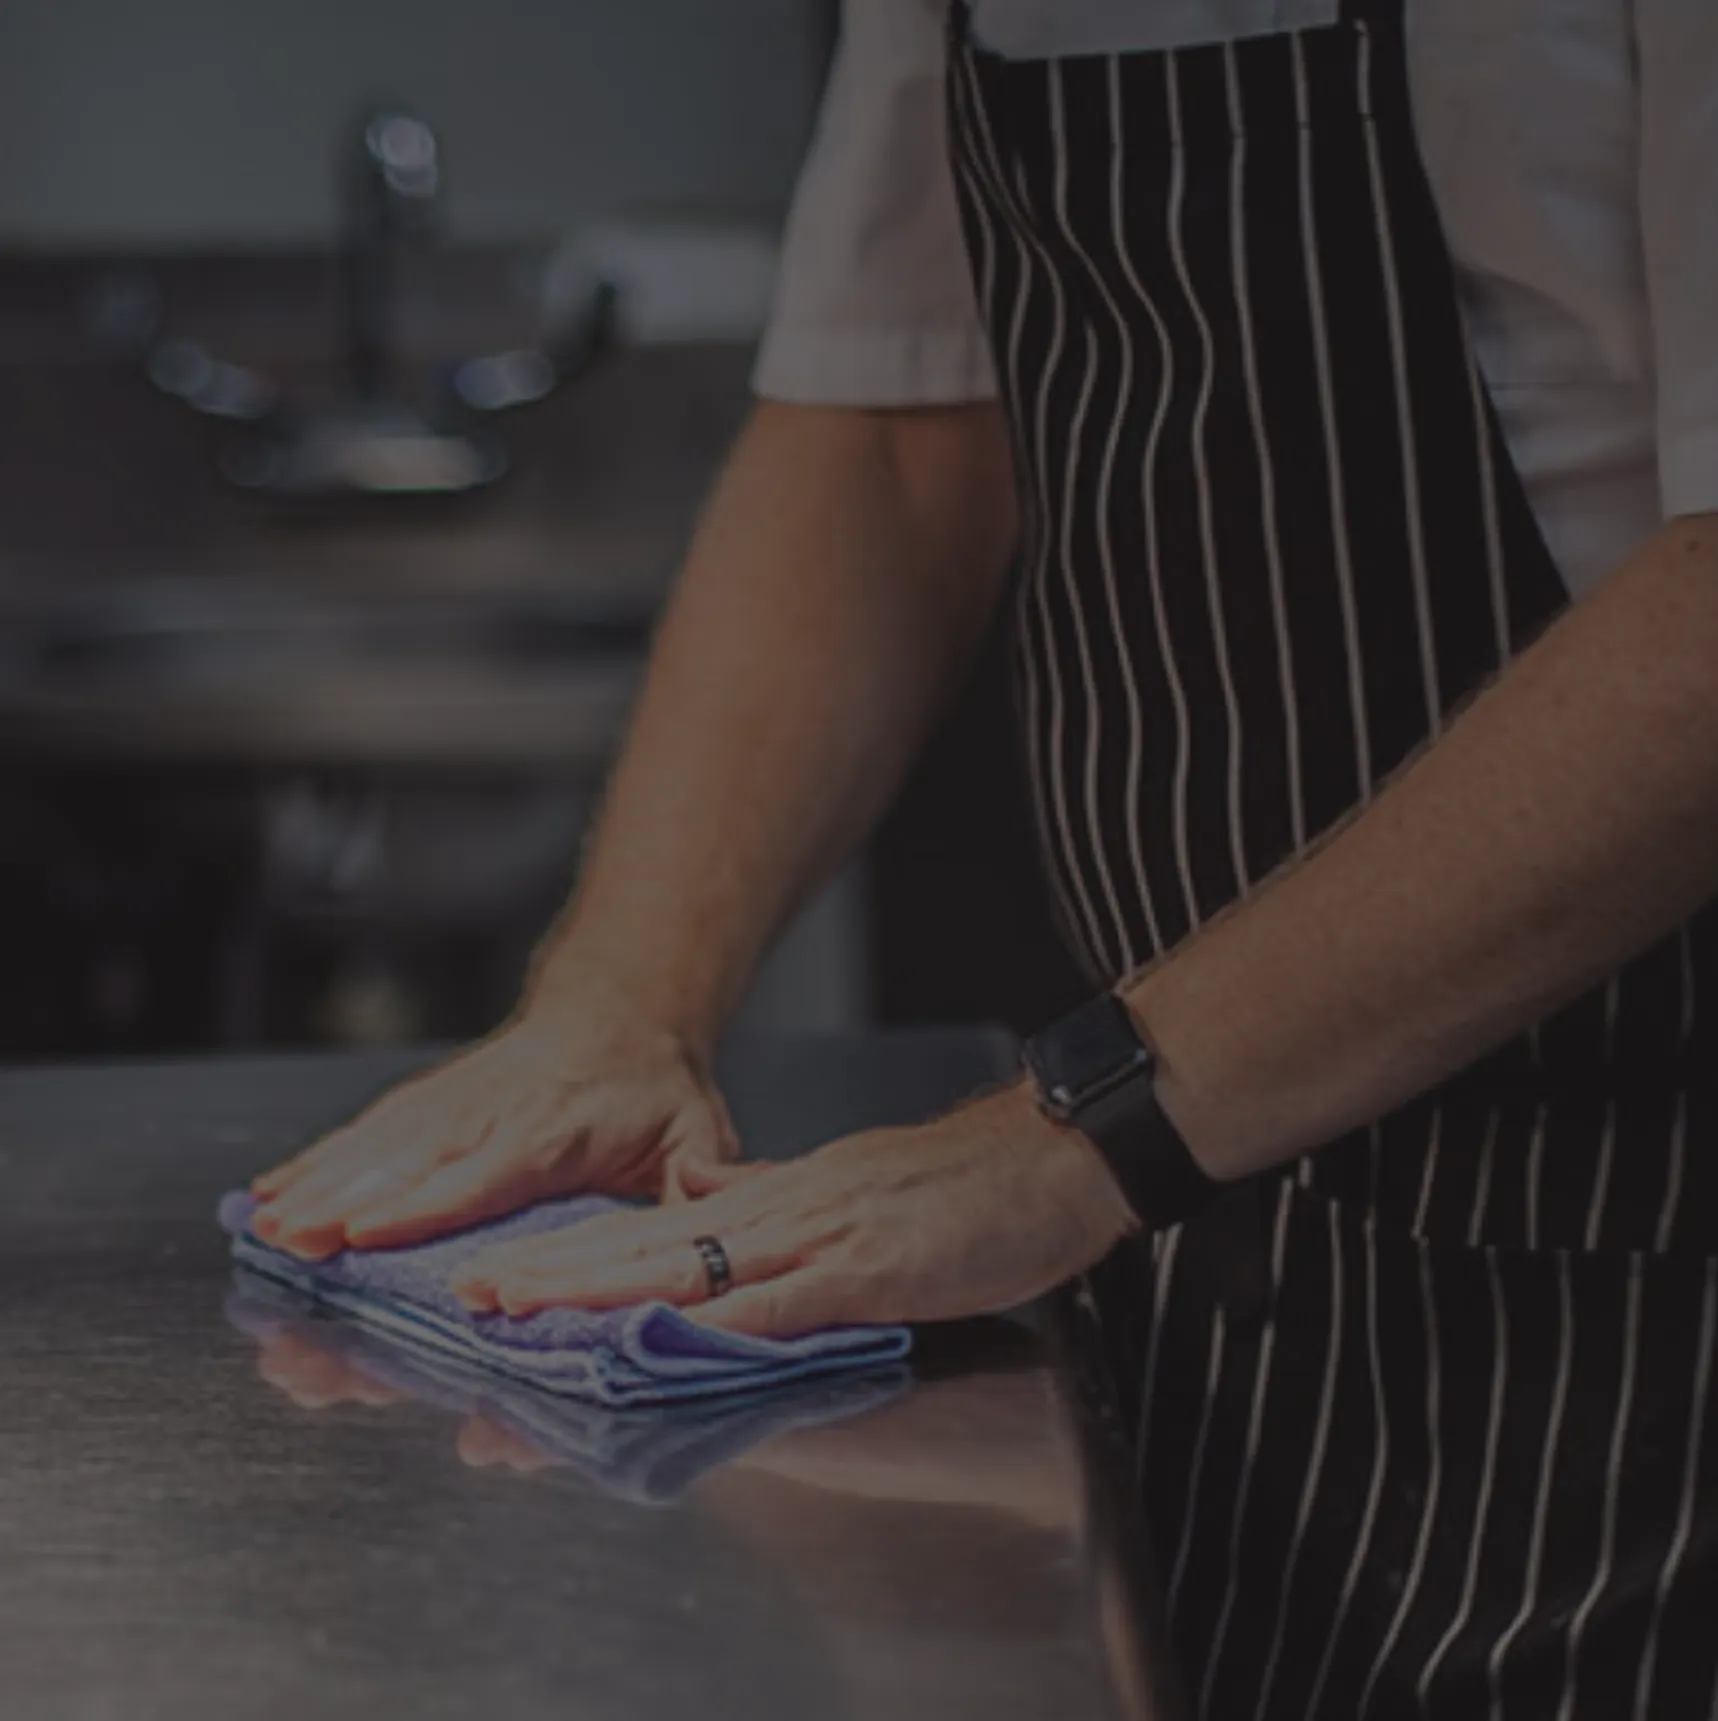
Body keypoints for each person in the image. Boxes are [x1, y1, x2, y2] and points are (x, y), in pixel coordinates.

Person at [250, 0, 1718, 1713]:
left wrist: (1069, 1133)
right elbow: (887, 434)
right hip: (1196, 1236)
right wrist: (619, 999)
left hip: (1642, 1272)